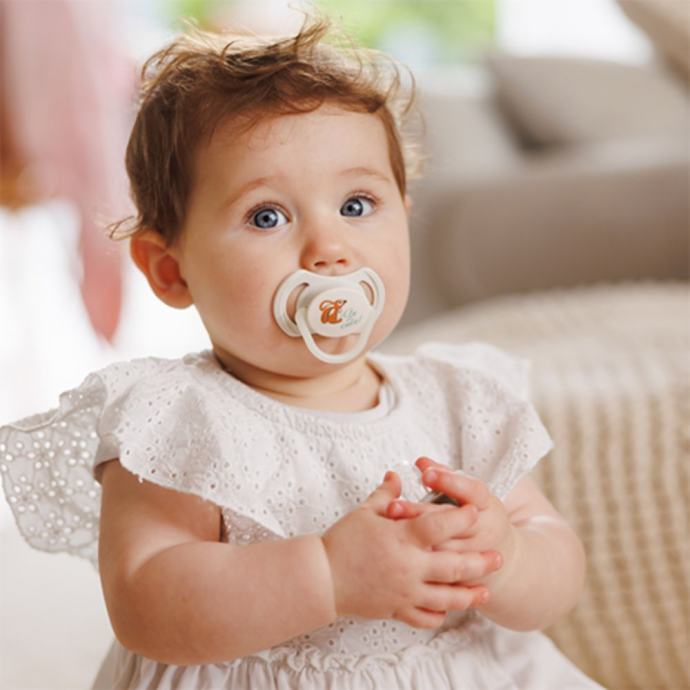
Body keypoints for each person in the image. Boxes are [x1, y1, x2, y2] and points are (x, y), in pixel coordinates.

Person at [0, 13, 605, 690]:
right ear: (171, 271)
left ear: (404, 214)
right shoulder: (174, 421)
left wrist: (507, 554)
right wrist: (328, 573)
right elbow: (146, 601)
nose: (329, 248)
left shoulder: (458, 398)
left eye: (357, 205)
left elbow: (558, 567)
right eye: (268, 216)